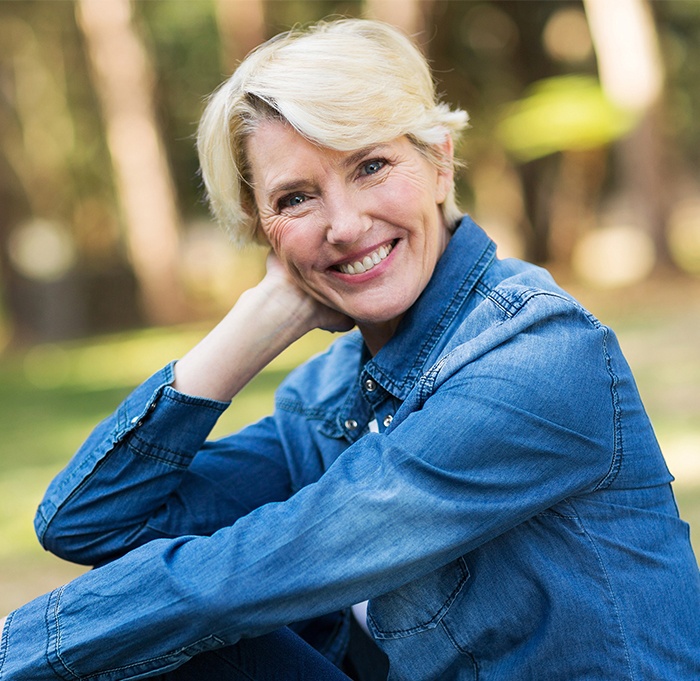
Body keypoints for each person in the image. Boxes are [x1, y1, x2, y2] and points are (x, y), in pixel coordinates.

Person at [1, 17, 699, 681]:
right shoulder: (330, 392)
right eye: (297, 198)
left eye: (370, 166)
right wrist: (254, 323)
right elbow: (90, 523)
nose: (344, 224)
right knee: (167, 638)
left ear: (439, 164)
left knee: (179, 613)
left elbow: (237, 578)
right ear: (261, 227)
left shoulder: (540, 359)